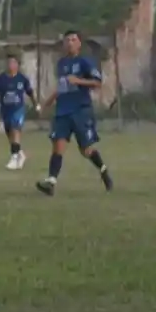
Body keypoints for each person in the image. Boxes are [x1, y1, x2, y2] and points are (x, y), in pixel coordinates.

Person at [35, 30, 113, 196]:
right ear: (64, 44)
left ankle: (103, 169)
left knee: (85, 150)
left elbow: (97, 83)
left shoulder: (85, 62)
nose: (70, 42)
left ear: (79, 44)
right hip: (63, 111)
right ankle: (51, 182)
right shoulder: (61, 64)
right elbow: (61, 88)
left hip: (80, 111)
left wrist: (79, 81)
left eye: (73, 39)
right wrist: (46, 104)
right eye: (67, 40)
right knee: (58, 146)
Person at [0, 54, 37, 169]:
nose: (10, 65)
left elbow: (30, 92)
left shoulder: (22, 79)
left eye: (13, 63)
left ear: (17, 65)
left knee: (15, 129)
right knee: (10, 134)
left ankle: (14, 157)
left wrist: (36, 105)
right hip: (6, 110)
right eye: (8, 62)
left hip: (18, 109)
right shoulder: (0, 79)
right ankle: (21, 154)